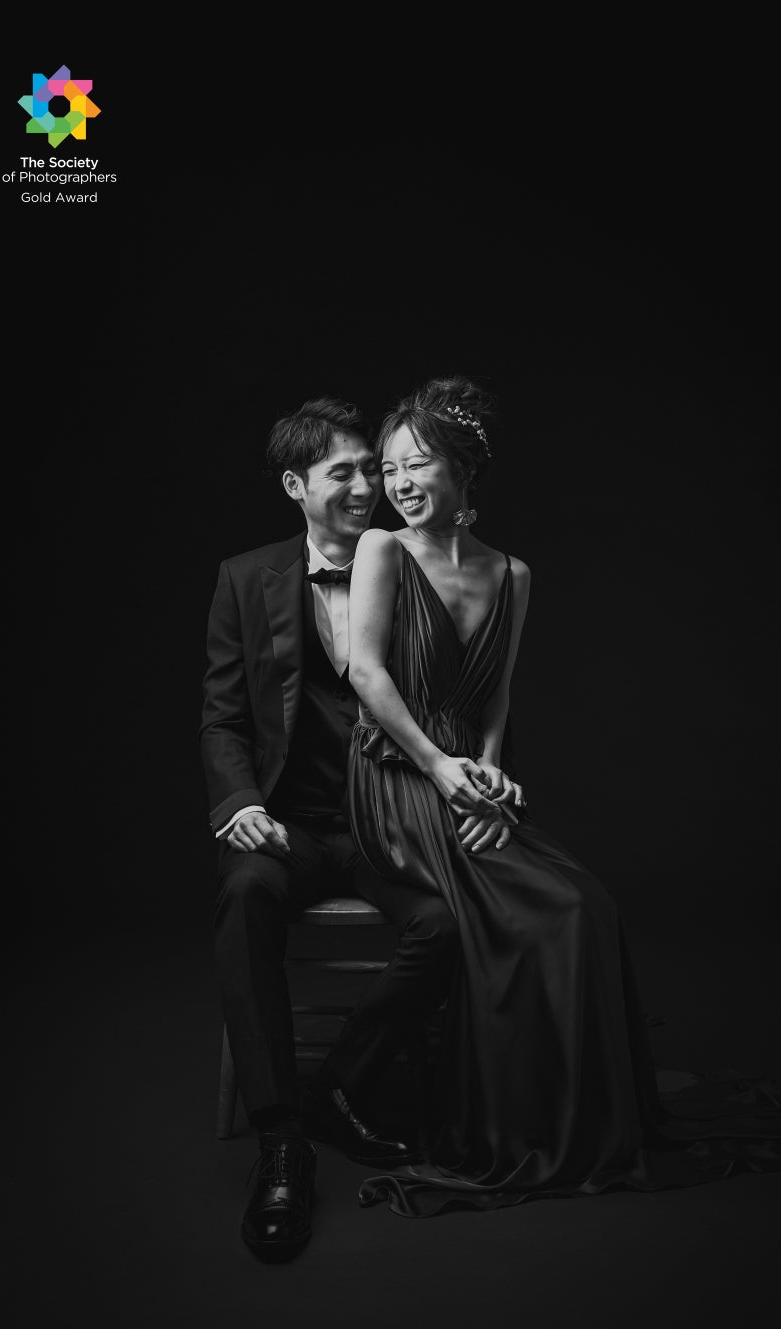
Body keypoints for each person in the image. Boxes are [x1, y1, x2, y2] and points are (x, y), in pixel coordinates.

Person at [345, 374, 781, 1217]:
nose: (398, 482)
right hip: (396, 773)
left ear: (463, 470)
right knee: (529, 909)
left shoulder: (513, 574)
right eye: (389, 468)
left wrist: (492, 773)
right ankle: (505, 1125)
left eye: (416, 464)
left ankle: (572, 1120)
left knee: (586, 906)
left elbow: (496, 697)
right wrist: (441, 769)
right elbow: (366, 674)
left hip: (466, 775)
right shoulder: (381, 552)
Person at [199, 396, 507, 1259]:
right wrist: (240, 804)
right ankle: (281, 1139)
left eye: (375, 468)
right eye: (345, 473)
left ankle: (337, 1087)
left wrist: (479, 778)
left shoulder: (414, 561)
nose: (369, 487)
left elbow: (469, 693)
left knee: (443, 924)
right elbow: (223, 716)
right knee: (245, 895)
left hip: (388, 823)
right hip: (290, 826)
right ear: (295, 486)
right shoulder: (245, 578)